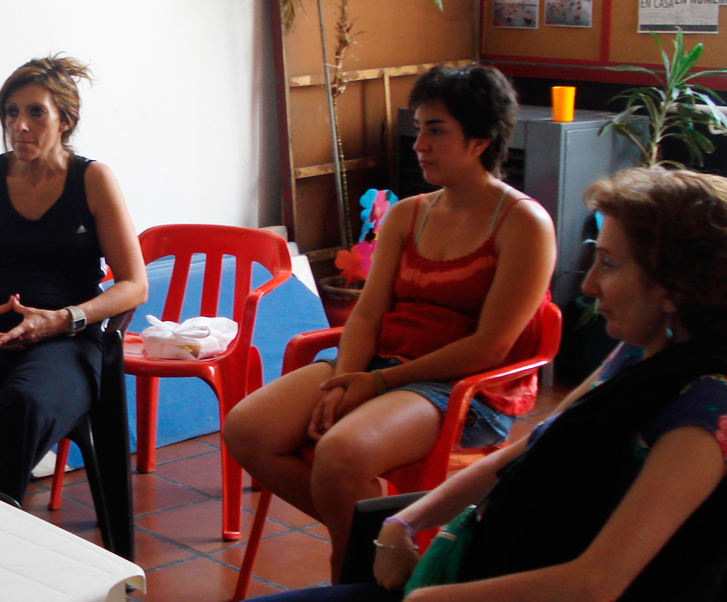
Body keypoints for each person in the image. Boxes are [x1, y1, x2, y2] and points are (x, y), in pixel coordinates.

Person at [251, 166, 727, 602]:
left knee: (344, 454)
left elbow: (595, 583)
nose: (588, 286)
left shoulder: (704, 415)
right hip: (489, 562)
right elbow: (530, 449)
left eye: (609, 263)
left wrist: (427, 599)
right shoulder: (638, 355)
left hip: (506, 584)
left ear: (675, 289)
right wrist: (402, 523)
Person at [223, 64, 556, 579]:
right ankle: (382, 544)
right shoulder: (408, 214)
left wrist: (376, 382)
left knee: (340, 454)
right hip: (382, 364)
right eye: (419, 128)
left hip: (463, 387)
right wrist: (344, 381)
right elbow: (368, 314)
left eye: (436, 131)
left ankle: (355, 567)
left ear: (480, 140)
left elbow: (490, 346)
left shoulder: (524, 223)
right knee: (247, 429)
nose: (419, 144)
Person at [0, 55, 147, 502]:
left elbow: (135, 284)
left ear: (65, 121)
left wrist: (66, 318)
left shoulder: (92, 180)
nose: (19, 125)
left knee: (24, 404)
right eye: (11, 112)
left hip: (66, 340)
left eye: (36, 112)